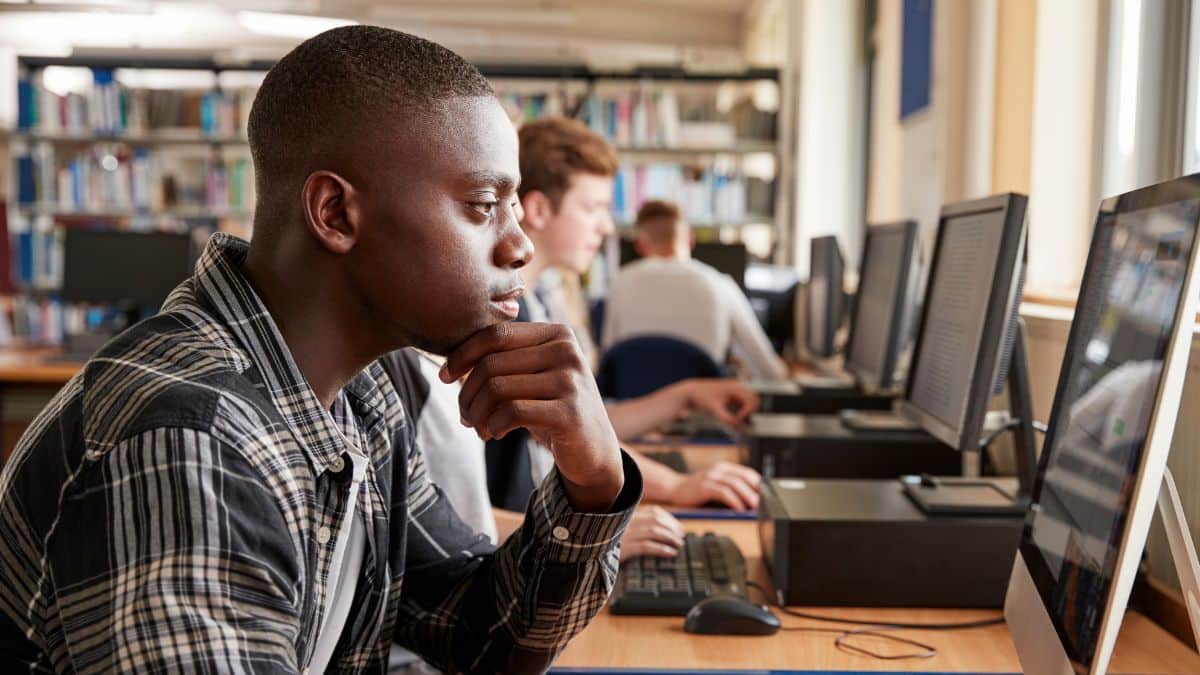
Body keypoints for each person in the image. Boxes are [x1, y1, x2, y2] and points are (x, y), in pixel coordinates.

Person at [0, 27, 641, 674]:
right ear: (335, 213)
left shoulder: (361, 398)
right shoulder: (188, 434)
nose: (520, 245)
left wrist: (593, 482)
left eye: (512, 206)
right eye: (482, 205)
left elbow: (480, 633)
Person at [480, 116, 762, 561]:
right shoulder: (504, 320)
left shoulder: (531, 303)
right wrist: (672, 489)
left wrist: (685, 396)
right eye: (593, 208)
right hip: (512, 555)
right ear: (537, 210)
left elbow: (583, 426)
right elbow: (567, 436)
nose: (607, 227)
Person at [604, 199, 789, 380]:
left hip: (635, 400)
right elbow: (771, 370)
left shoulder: (619, 283)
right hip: (703, 400)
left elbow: (608, 359)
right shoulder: (720, 284)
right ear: (690, 239)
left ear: (639, 246)